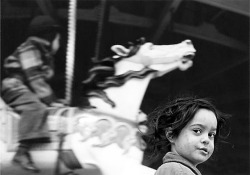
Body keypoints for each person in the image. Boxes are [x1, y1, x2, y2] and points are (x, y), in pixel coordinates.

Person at [1, 15, 67, 172]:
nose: (59, 43)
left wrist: (54, 100)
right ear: (50, 37)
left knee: (50, 107)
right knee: (35, 108)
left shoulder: (42, 53)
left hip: (24, 88)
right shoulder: (30, 48)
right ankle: (21, 151)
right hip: (14, 86)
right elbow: (35, 77)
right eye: (58, 39)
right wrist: (50, 100)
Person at [143, 96, 230, 175]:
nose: (206, 140)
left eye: (211, 134)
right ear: (171, 135)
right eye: (197, 131)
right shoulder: (174, 169)